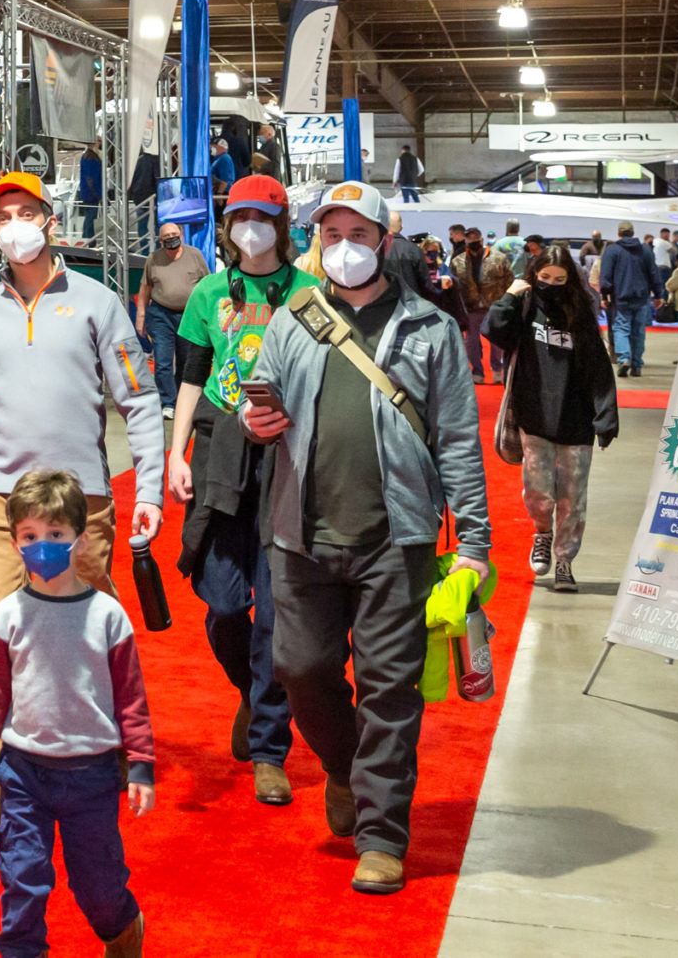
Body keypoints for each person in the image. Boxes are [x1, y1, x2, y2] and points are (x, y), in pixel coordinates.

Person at [240, 181, 491, 896]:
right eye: (331, 233)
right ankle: (345, 766)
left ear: (385, 240)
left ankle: (382, 833)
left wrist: (473, 537)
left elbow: (457, 441)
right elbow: (260, 397)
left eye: (357, 232)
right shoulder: (294, 318)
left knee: (389, 688)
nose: (343, 246)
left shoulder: (430, 329)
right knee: (299, 666)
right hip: (300, 533)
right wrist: (253, 423)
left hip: (396, 537)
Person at [0, 172, 163, 833]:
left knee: (87, 631)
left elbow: (140, 399)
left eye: (24, 211)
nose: (13, 223)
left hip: (82, 502)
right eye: (2, 214)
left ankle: (101, 748)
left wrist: (148, 488)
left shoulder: (98, 303)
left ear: (49, 221)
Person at [165, 173, 313, 808]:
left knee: (276, 616)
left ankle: (269, 749)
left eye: (261, 216)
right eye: (239, 216)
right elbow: (191, 378)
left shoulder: (311, 292)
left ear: (280, 225)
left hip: (288, 455)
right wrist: (175, 453)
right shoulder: (207, 294)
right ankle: (253, 696)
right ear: (226, 226)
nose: (248, 227)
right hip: (221, 451)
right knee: (224, 602)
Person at [0, 468, 153, 958]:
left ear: (80, 540)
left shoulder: (108, 616)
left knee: (98, 883)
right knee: (21, 879)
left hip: (91, 775)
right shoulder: (7, 615)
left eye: (55, 534)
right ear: (14, 543)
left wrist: (141, 766)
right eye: (29, 535)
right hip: (23, 772)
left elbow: (131, 698)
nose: (42, 544)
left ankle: (122, 926)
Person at [484, 244, 618, 592]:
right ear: (533, 275)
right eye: (544, 278)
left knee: (573, 498)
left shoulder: (580, 312)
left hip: (576, 419)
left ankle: (564, 560)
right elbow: (492, 329)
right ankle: (542, 533)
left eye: (559, 279)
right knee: (538, 493)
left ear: (569, 279)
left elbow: (599, 368)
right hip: (534, 415)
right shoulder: (526, 306)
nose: (551, 284)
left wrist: (606, 417)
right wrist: (511, 296)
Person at [137, 222, 208, 413]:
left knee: (186, 360)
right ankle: (168, 402)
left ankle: (181, 399)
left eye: (174, 234)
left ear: (181, 235)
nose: (171, 238)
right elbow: (145, 288)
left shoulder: (195, 255)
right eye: (166, 236)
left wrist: (206, 315)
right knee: (162, 361)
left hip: (189, 315)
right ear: (160, 240)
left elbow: (206, 286)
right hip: (161, 314)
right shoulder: (153, 259)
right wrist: (141, 316)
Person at [600, 222, 660, 377]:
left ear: (618, 233)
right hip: (642, 298)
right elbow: (654, 274)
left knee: (621, 328)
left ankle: (624, 358)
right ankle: (637, 365)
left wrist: (604, 295)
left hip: (620, 298)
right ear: (633, 233)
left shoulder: (612, 250)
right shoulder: (646, 250)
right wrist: (658, 295)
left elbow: (605, 275)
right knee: (638, 332)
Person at [452, 228, 508, 382]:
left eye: (475, 238)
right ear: (465, 241)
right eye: (469, 239)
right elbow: (455, 285)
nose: (472, 241)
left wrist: (505, 303)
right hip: (471, 306)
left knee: (496, 341)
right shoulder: (458, 261)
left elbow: (508, 280)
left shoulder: (499, 258)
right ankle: (477, 372)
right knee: (472, 342)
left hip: (494, 305)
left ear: (481, 239)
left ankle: (497, 370)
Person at [206, 131, 238, 232]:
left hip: (223, 194)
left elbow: (225, 180)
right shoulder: (218, 159)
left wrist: (219, 195)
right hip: (219, 192)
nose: (211, 148)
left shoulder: (224, 159)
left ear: (220, 147)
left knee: (221, 220)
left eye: (213, 146)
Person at [76, 142, 104, 242]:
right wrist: (99, 195)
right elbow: (92, 179)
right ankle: (90, 242)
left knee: (89, 220)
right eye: (99, 142)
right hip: (91, 195)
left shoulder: (87, 156)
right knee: (91, 221)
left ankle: (86, 241)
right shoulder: (92, 157)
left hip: (87, 194)